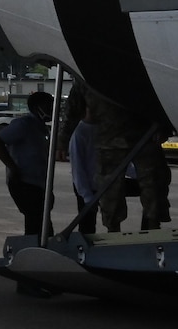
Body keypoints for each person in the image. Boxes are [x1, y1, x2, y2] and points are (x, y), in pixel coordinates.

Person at [89, 90, 168, 231]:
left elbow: (162, 96)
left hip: (144, 135)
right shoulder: (91, 79)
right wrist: (63, 139)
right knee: (110, 191)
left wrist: (164, 127)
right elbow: (76, 102)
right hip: (111, 140)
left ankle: (152, 226)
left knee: (153, 186)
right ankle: (113, 229)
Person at [0, 91, 54, 236]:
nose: (52, 110)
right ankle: (33, 248)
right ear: (37, 107)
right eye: (48, 106)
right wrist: (12, 167)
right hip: (24, 183)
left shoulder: (42, 128)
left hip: (38, 184)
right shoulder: (24, 124)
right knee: (37, 224)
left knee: (42, 225)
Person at [68, 104, 101, 235]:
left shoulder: (101, 129)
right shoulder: (79, 134)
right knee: (87, 225)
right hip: (87, 187)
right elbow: (78, 169)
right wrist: (87, 196)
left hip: (103, 183)